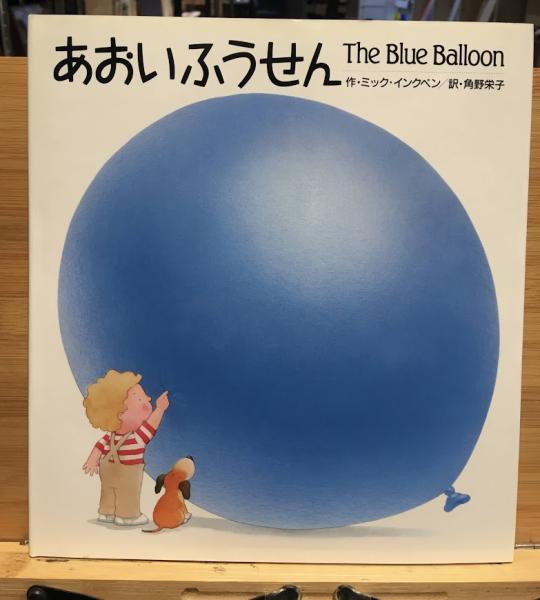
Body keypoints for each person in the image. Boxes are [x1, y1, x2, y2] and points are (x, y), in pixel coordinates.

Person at [82, 369, 169, 526]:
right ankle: (127, 516)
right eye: (140, 399)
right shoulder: (137, 438)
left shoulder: (109, 437)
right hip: (128, 474)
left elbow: (99, 447)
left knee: (108, 491)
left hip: (108, 472)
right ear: (119, 412)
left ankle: (107, 512)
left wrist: (92, 460)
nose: (148, 400)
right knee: (128, 494)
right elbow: (152, 424)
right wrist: (160, 409)